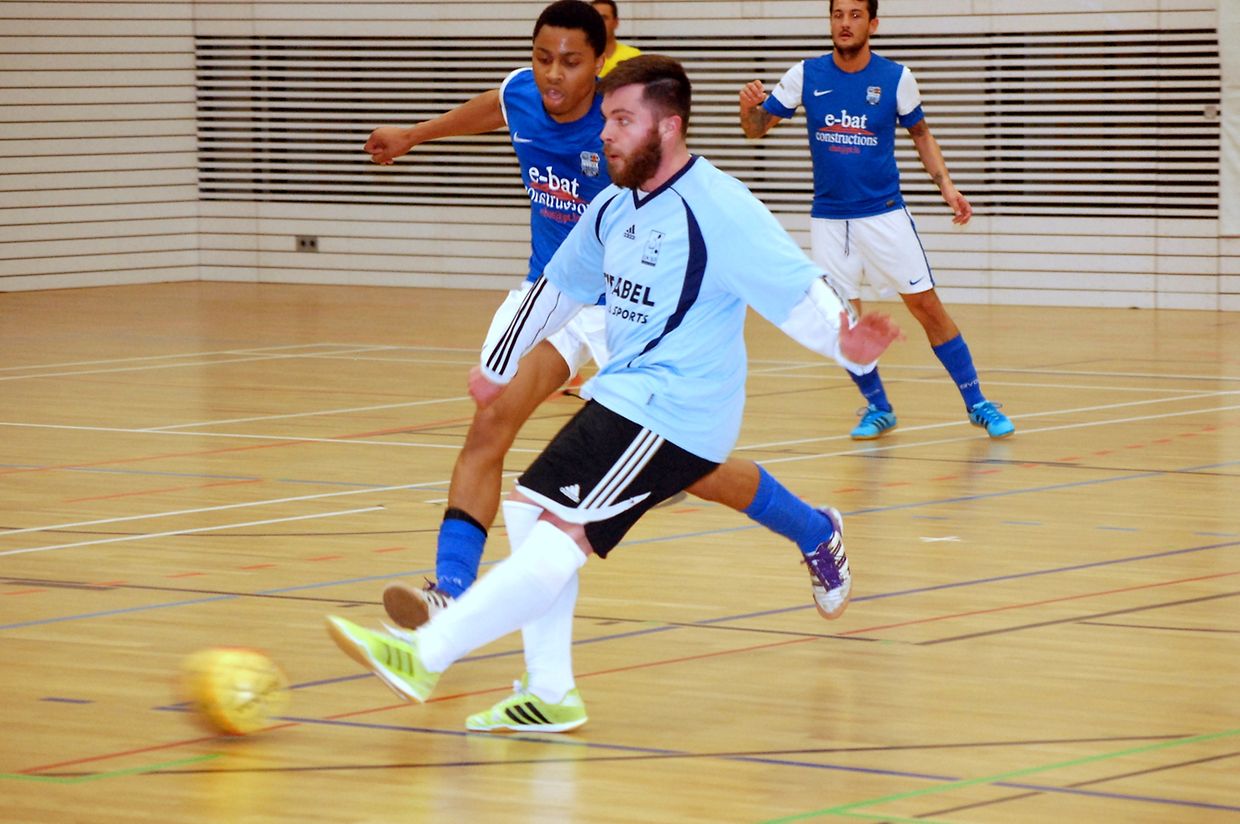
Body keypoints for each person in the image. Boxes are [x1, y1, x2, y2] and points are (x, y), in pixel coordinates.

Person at [327, 54, 902, 734]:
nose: (605, 133)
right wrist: (501, 364)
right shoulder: (612, 207)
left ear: (670, 127)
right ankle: (549, 692)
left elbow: (797, 287)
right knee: (530, 511)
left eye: (623, 120)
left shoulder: (719, 206)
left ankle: (424, 656)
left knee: (562, 533)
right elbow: (557, 292)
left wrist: (844, 340)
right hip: (628, 397)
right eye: (606, 120)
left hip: (677, 409)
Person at [737, 0, 1014, 441]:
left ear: (873, 23)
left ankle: (978, 402)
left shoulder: (896, 78)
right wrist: (747, 107)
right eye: (838, 15)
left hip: (885, 215)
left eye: (855, 15)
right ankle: (879, 407)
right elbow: (755, 129)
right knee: (844, 321)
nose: (845, 23)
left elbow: (921, 134)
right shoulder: (806, 74)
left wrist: (947, 186)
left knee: (927, 307)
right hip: (830, 221)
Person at [591, 0, 641, 76]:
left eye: (604, 18)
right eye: (594, 18)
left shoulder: (632, 56)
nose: (599, 23)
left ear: (616, 22)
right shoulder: (584, 58)